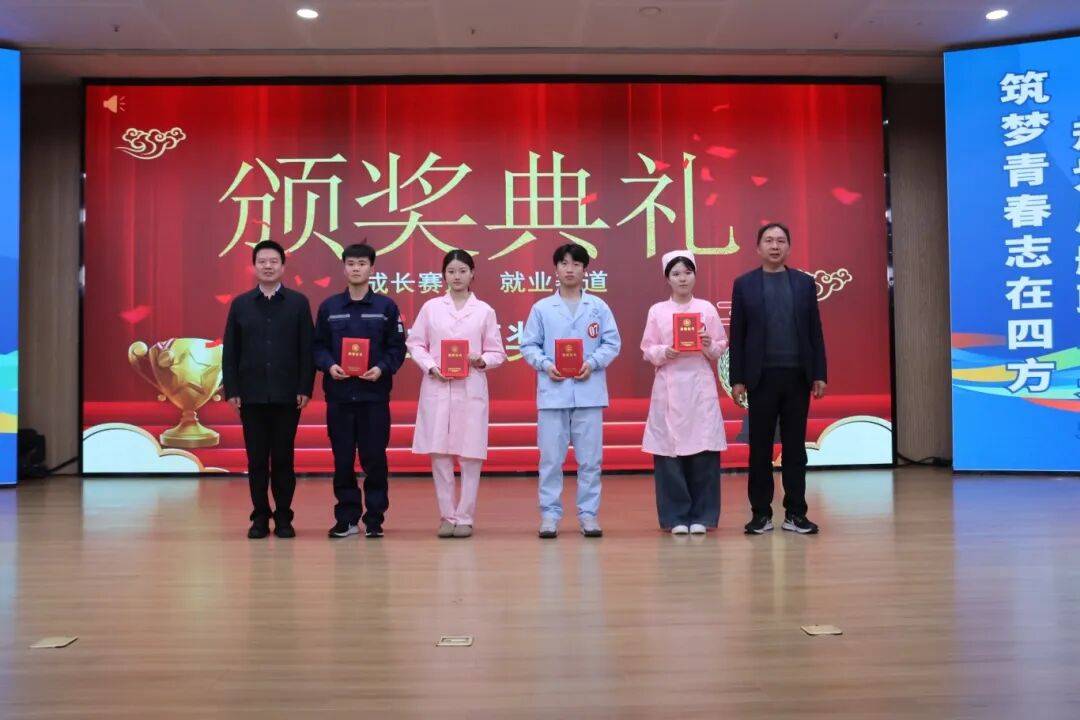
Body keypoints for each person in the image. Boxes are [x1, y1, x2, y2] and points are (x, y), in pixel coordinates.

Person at [729, 222, 827, 535]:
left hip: (797, 377)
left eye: (781, 241)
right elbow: (738, 335)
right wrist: (737, 379)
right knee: (759, 449)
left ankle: (796, 514)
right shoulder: (744, 285)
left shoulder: (804, 283)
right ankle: (761, 515)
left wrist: (819, 373)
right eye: (769, 241)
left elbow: (815, 331)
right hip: (761, 379)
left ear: (789, 247)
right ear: (758, 248)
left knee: (795, 449)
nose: (775, 246)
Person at [521, 243, 621, 539]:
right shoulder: (542, 308)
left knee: (590, 460)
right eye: (564, 263)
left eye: (576, 264)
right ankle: (549, 515)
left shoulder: (598, 307)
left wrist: (593, 363)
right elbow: (528, 345)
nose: (569, 269)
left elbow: (612, 343)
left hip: (589, 393)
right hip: (553, 394)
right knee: (551, 459)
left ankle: (588, 515)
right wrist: (545, 364)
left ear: (584, 270)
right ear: (555, 269)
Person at [406, 250, 507, 538]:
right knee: (439, 455)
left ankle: (465, 517)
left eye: (463, 271)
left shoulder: (484, 310)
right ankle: (446, 516)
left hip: (470, 386)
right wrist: (431, 366)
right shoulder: (431, 308)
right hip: (438, 384)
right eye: (451, 271)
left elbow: (497, 352)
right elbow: (415, 344)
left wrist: (481, 360)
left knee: (470, 456)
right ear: (443, 275)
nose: (457, 276)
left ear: (472, 273)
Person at [222, 240, 314, 540]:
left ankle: (284, 517)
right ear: (254, 266)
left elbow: (307, 349)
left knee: (284, 459)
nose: (268, 266)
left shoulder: (298, 303)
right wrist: (232, 389)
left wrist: (305, 387)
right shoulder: (241, 304)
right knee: (257, 459)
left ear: (283, 266)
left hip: (288, 395)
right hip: (251, 395)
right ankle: (260, 517)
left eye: (274, 261)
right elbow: (230, 350)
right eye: (262, 261)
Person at [313, 243, 406, 539]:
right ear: (344, 268)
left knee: (374, 458)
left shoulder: (386, 307)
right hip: (339, 397)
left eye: (362, 263)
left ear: (372, 268)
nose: (356, 268)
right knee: (342, 460)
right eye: (351, 263)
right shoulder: (329, 307)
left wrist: (381, 368)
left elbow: (397, 347)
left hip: (373, 398)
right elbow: (317, 346)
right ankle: (347, 518)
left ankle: (375, 518)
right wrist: (329, 366)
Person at [641, 251, 728, 535]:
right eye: (676, 273)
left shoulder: (706, 308)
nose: (682, 278)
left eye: (687, 273)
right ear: (667, 278)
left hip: (699, 385)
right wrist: (664, 351)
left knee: (704, 450)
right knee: (669, 453)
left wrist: (707, 343)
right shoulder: (657, 311)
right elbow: (647, 348)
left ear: (695, 275)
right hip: (669, 384)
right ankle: (675, 516)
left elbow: (719, 346)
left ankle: (703, 515)